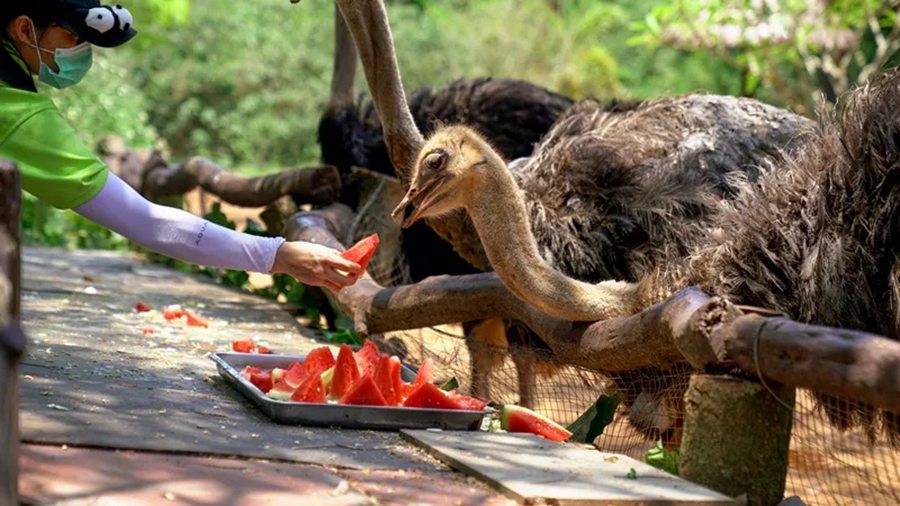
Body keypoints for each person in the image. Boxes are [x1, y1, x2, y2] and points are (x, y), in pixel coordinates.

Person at [0, 0, 362, 292]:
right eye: (74, 37)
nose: (83, 52)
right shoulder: (17, 113)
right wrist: (278, 255)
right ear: (24, 28)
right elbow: (147, 222)